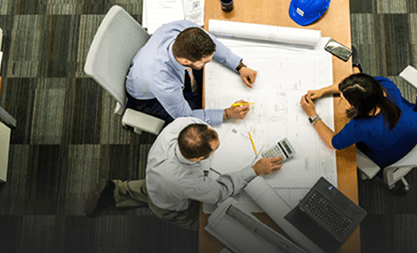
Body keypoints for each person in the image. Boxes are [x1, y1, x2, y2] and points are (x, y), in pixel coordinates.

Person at [84, 117, 283, 231]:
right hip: (169, 204)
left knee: (151, 188)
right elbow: (220, 192)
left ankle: (114, 190)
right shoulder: (187, 181)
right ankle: (115, 194)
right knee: (206, 223)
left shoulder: (182, 125)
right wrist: (255, 170)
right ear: (198, 159)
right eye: (215, 149)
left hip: (156, 177)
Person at [299, 58, 417, 174]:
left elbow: (333, 143)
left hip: (395, 155)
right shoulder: (386, 85)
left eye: (343, 99)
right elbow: (356, 86)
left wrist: (312, 115)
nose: (341, 99)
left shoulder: (360, 126)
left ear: (357, 107)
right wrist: (322, 91)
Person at [125, 20, 258, 125]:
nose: (209, 62)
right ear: (185, 61)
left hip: (152, 67)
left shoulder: (183, 29)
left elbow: (213, 43)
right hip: (147, 100)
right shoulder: (163, 82)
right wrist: (227, 114)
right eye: (205, 62)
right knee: (195, 115)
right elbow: (185, 116)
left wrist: (239, 66)